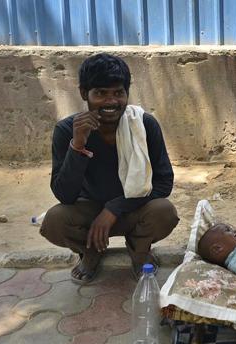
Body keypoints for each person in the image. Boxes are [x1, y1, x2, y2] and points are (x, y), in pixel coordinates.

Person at [39, 53, 179, 283]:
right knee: (54, 221)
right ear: (85, 94)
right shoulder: (67, 130)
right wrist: (78, 145)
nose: (111, 102)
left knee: (164, 212)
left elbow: (164, 183)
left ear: (127, 93)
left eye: (118, 93)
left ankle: (140, 251)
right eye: (100, 93)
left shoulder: (143, 124)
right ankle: (90, 252)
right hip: (90, 214)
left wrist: (114, 209)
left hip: (134, 209)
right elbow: (64, 194)